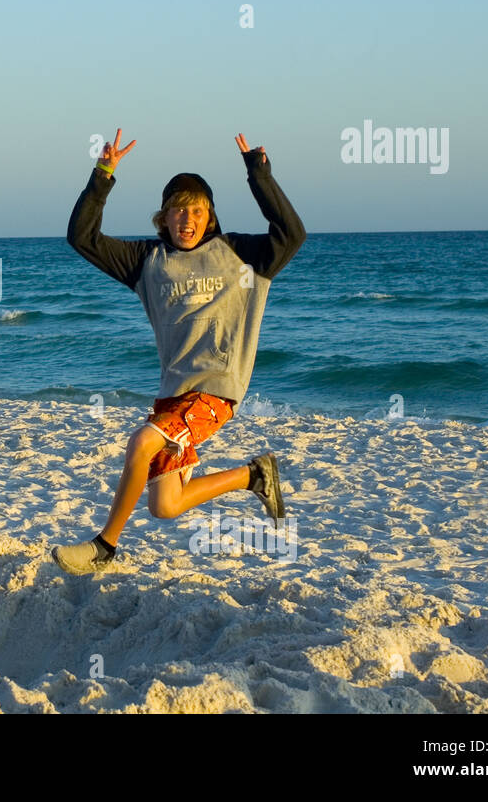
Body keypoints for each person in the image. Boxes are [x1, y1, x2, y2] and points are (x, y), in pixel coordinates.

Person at [53, 129, 306, 574]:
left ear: (209, 217)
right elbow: (82, 238)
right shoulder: (145, 262)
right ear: (163, 217)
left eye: (196, 210)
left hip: (216, 390)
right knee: (165, 505)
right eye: (177, 210)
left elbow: (292, 233)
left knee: (142, 443)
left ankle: (104, 547)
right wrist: (103, 174)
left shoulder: (240, 255)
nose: (186, 219)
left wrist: (259, 175)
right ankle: (254, 475)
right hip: (174, 394)